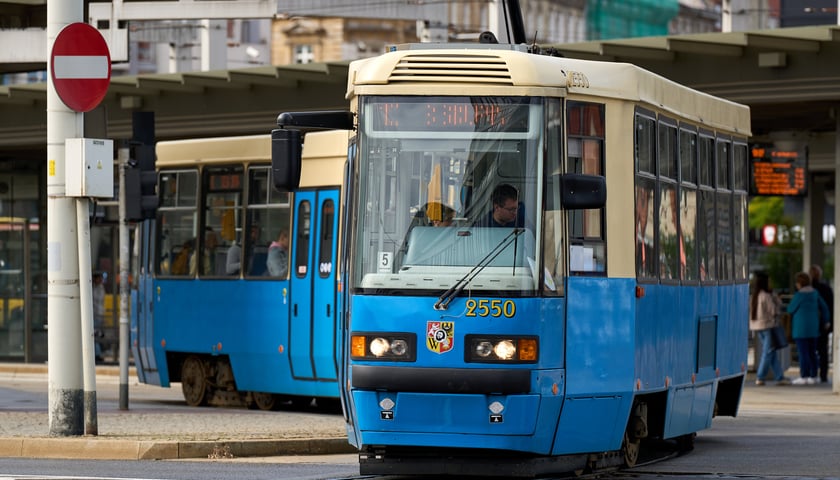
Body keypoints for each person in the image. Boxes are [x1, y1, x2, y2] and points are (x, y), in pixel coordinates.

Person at [787, 271, 830, 385]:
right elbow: (825, 308)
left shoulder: (799, 295)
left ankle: (804, 376)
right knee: (812, 353)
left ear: (799, 283)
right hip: (814, 328)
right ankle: (814, 375)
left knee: (803, 353)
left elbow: (790, 309)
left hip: (800, 329)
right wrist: (826, 321)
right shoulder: (815, 293)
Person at [749, 272, 789, 386]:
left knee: (771, 353)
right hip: (768, 326)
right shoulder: (766, 296)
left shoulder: (754, 296)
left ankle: (779, 377)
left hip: (757, 326)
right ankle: (760, 376)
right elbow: (774, 311)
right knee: (768, 352)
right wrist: (776, 298)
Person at [809, 264, 833, 383]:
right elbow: (830, 306)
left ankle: (811, 374)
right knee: (823, 351)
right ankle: (823, 375)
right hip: (823, 324)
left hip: (808, 325)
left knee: (809, 350)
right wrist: (829, 323)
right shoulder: (826, 288)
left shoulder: (805, 289)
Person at [92, 271, 106, 363]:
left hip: (98, 314)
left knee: (96, 335)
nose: (101, 280)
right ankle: (97, 353)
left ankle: (97, 354)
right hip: (95, 314)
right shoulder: (95, 288)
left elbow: (98, 299)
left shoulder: (100, 288)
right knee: (95, 334)